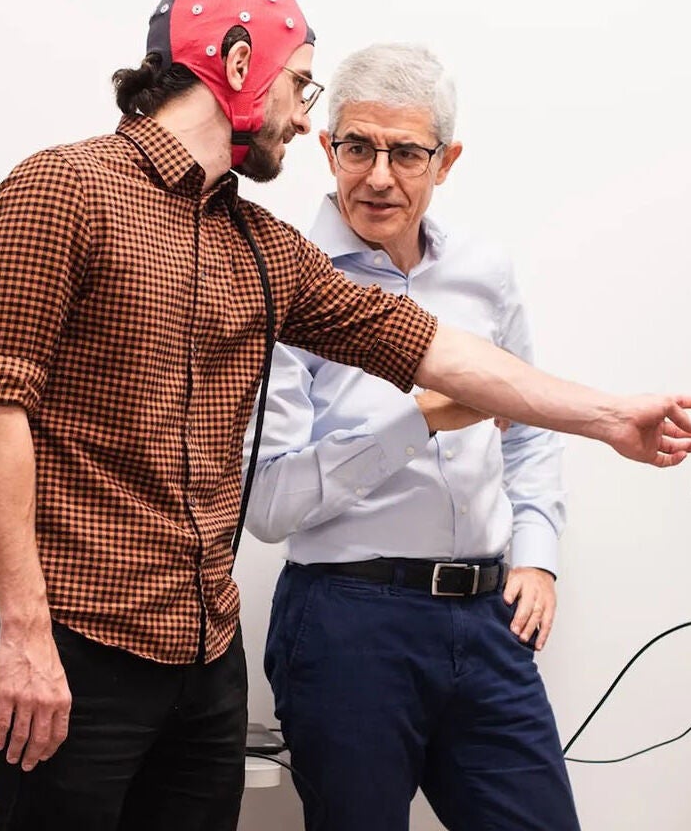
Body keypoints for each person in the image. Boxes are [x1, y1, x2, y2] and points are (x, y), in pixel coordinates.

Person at [0, 0, 691, 830]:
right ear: (238, 65)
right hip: (81, 638)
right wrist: (22, 630)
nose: (304, 116)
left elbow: (432, 348)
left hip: (205, 652)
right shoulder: (62, 188)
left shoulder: (258, 244)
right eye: (302, 85)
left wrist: (612, 417)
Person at [246, 42, 578, 831]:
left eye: (406, 153)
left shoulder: (482, 273)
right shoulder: (284, 276)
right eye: (357, 147)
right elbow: (268, 505)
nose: (379, 177)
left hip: (487, 619)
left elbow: (528, 432)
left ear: (447, 160)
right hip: (348, 623)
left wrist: (537, 555)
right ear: (326, 148)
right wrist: (419, 418)